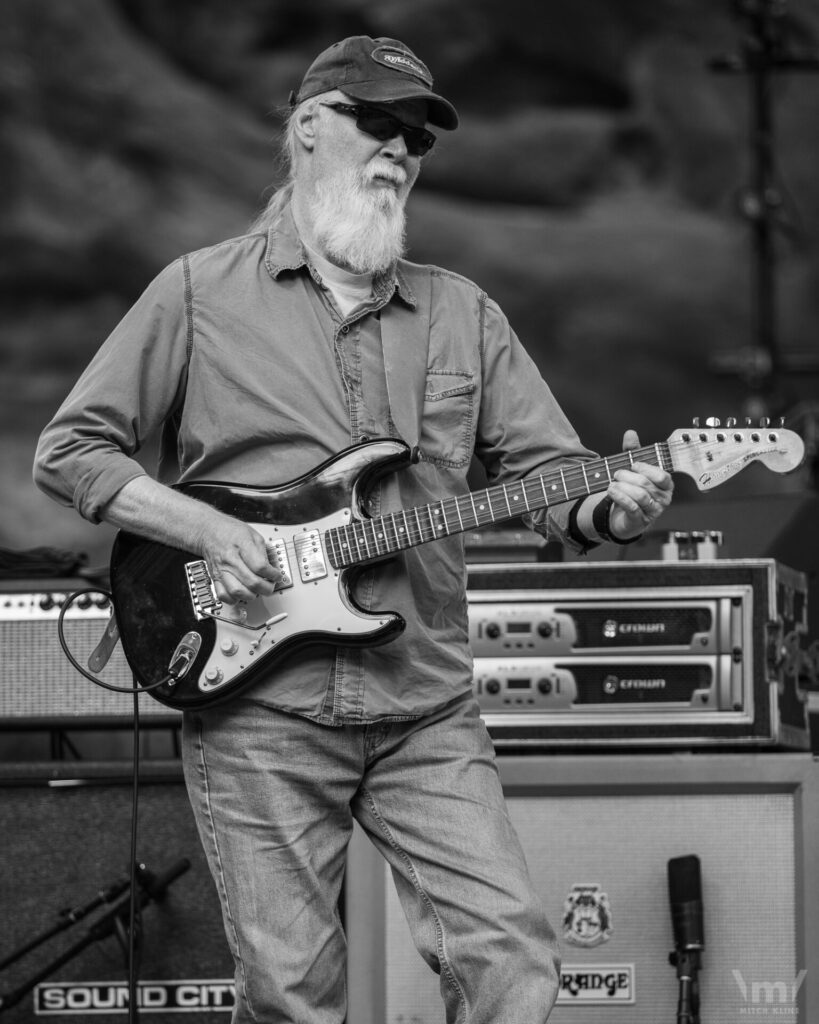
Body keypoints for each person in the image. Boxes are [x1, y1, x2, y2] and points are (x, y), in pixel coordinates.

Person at [34, 34, 674, 1024]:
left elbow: (551, 478)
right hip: (259, 706)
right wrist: (206, 528)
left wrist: (608, 506)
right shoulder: (201, 292)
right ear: (306, 131)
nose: (399, 149)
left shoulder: (462, 313)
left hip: (424, 703)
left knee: (515, 964)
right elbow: (72, 451)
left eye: (415, 135)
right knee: (293, 999)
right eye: (376, 122)